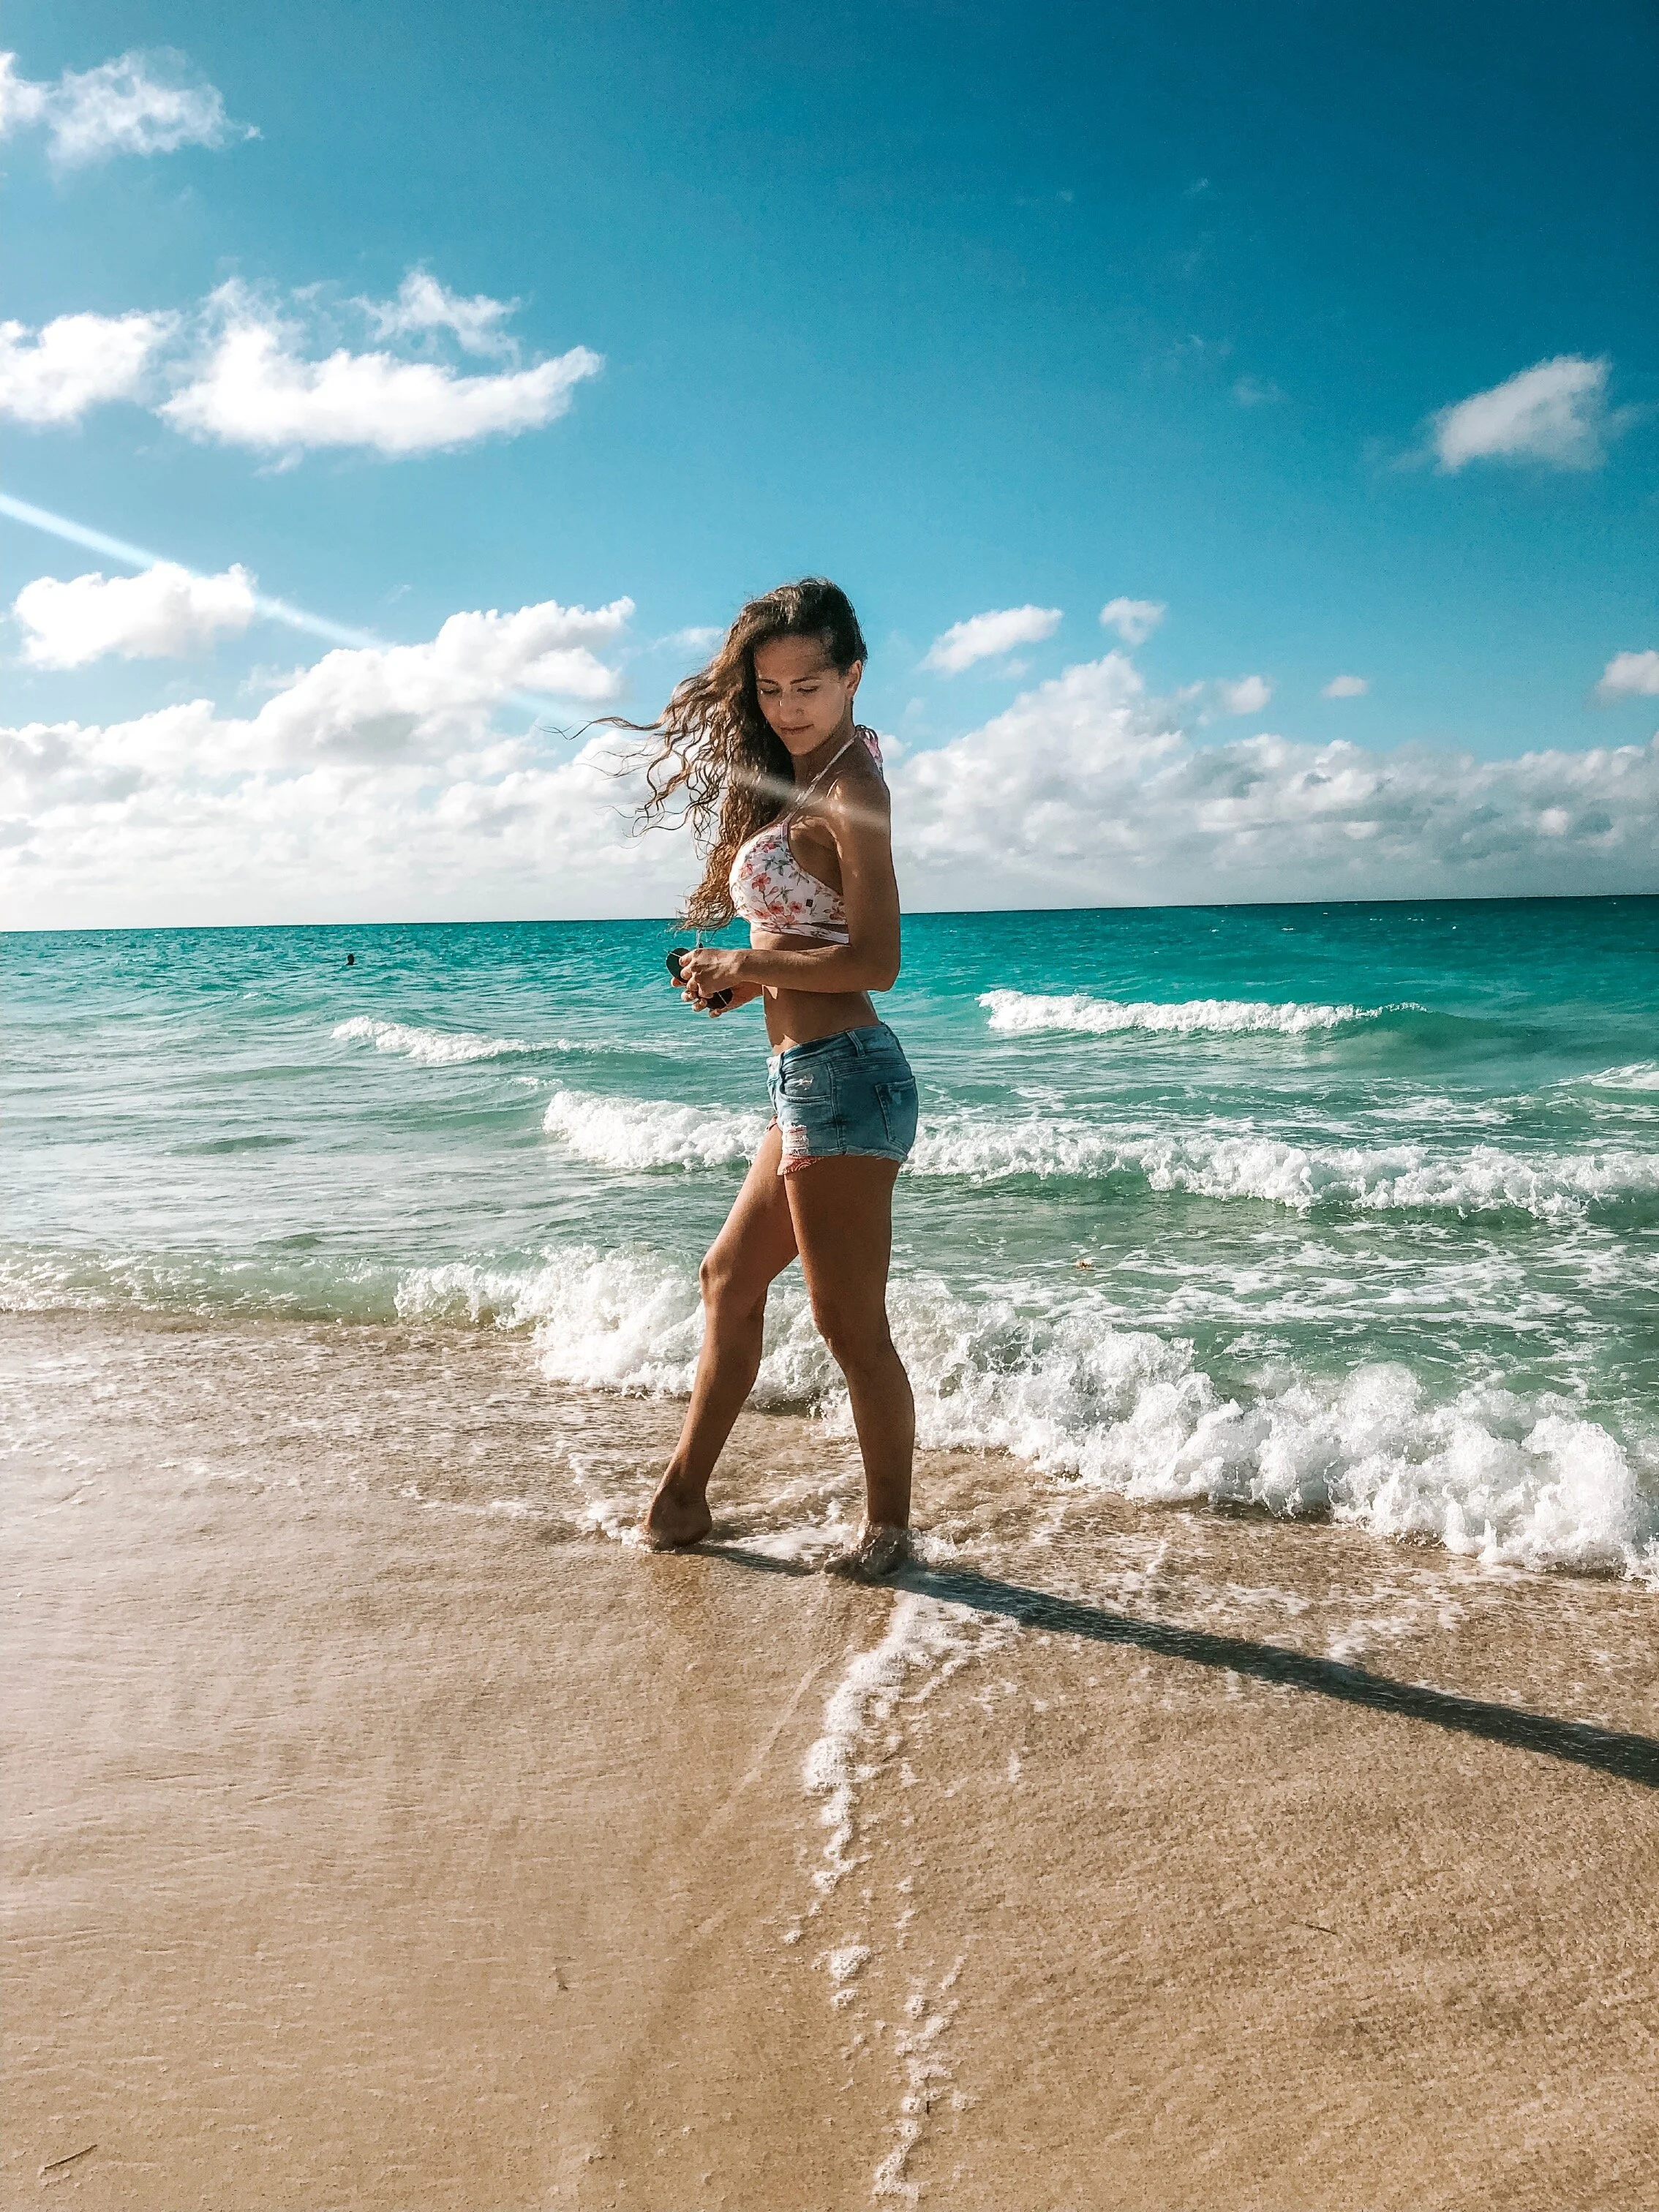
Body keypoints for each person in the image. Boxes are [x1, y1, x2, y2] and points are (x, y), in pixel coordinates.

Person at [622, 578, 919, 1578]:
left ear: (854, 676)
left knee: (847, 1326)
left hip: (847, 1076)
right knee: (728, 1277)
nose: (789, 706)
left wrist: (744, 963)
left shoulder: (853, 791)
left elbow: (875, 962)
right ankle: (682, 1501)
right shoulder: (807, 777)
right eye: (772, 688)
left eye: (810, 686)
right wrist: (737, 985)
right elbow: (811, 943)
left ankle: (888, 1535)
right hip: (806, 1074)